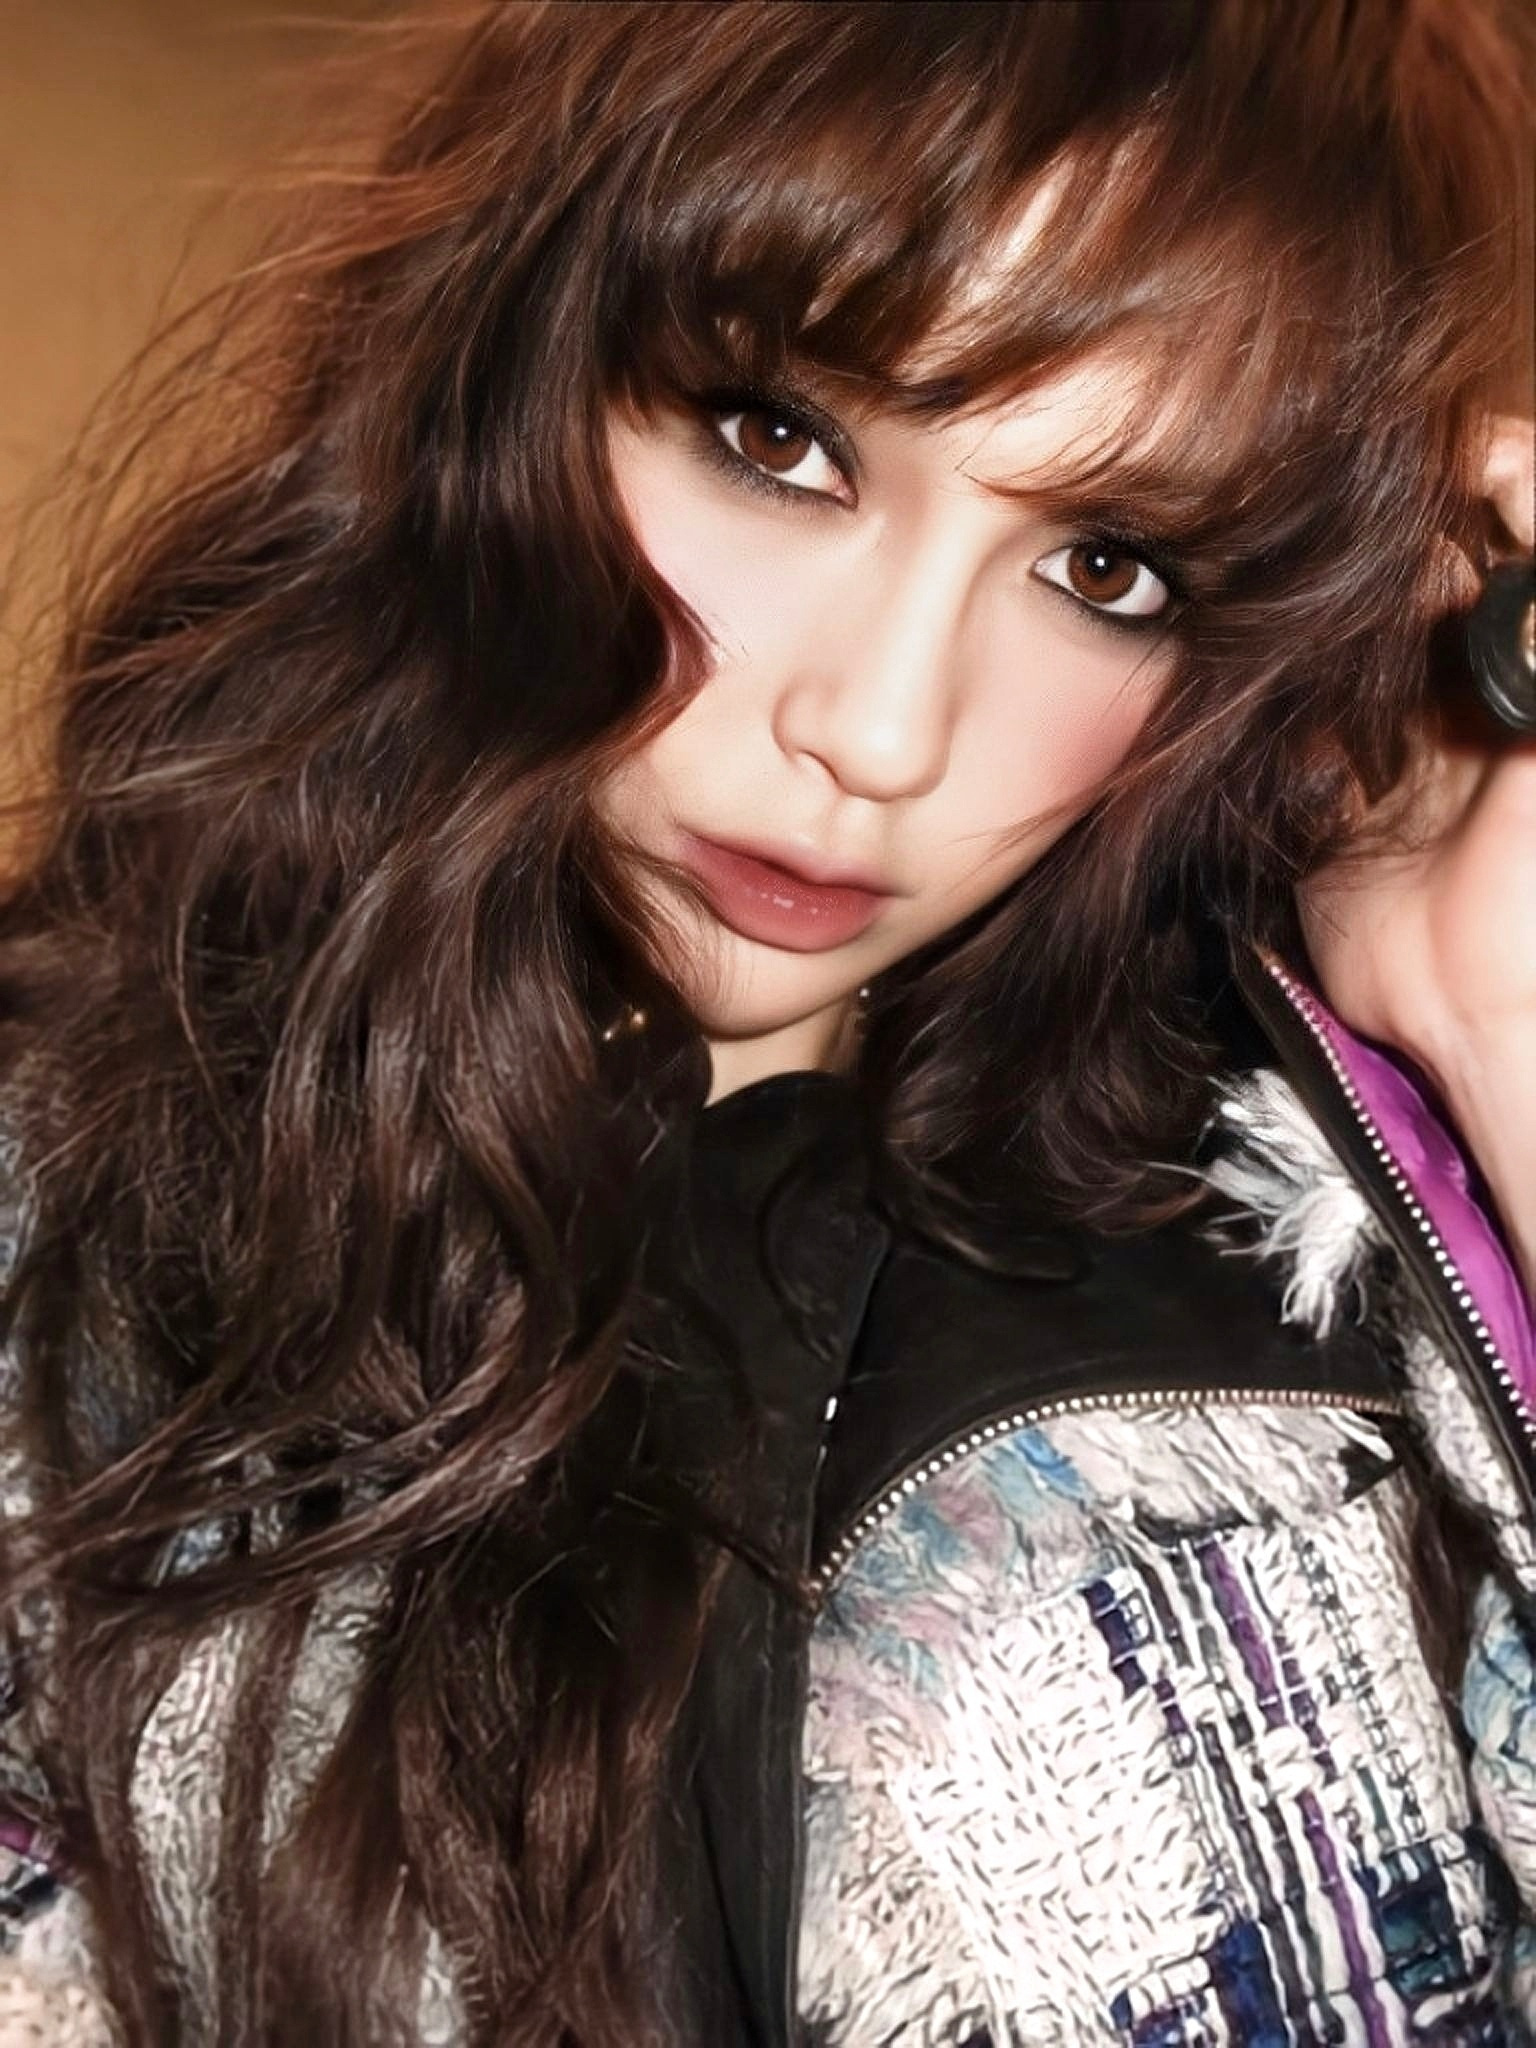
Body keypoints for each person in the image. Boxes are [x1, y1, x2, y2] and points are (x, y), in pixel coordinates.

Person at [0, 2, 1532, 2042]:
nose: (879, 733)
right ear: (509, 384)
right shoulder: (59, 1240)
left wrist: (1499, 1036)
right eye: (780, 443)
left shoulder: (1310, 1319)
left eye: (1108, 565)